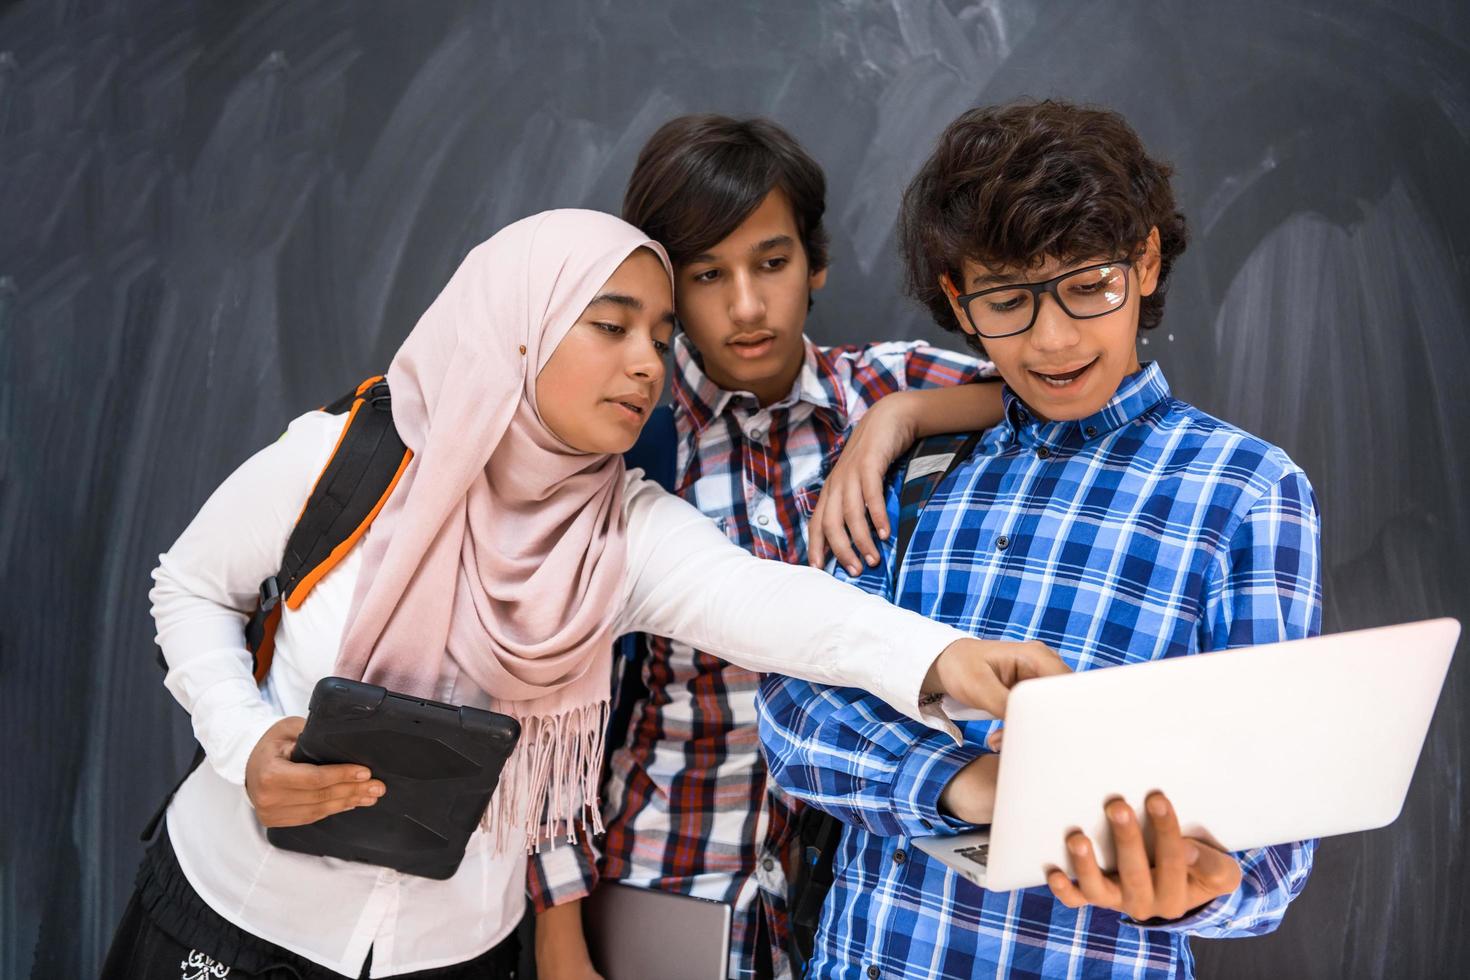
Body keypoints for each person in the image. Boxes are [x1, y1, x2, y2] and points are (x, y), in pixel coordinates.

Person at [103, 208, 1063, 980]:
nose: (648, 361)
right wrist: (240, 742)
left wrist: (942, 659)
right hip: (236, 916)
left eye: (658, 334)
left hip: (452, 950)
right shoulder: (350, 456)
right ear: (519, 329)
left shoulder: (621, 528)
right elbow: (188, 588)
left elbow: (776, 605)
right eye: (610, 326)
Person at [758, 100, 1322, 979]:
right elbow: (796, 714)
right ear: (959, 299)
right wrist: (969, 784)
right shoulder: (919, 465)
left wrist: (1205, 884)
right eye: (1008, 299)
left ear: (1144, 262)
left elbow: (1276, 857)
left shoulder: (1247, 494)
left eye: (1086, 285)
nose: (1053, 338)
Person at [529, 116, 1008, 980]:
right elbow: (548, 705)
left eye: (772, 263)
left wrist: (900, 419)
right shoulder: (627, 435)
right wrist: (559, 942)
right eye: (708, 275)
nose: (746, 305)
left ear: (815, 263)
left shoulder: (881, 388)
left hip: (851, 888)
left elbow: (1047, 383)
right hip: (666, 876)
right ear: (666, 290)